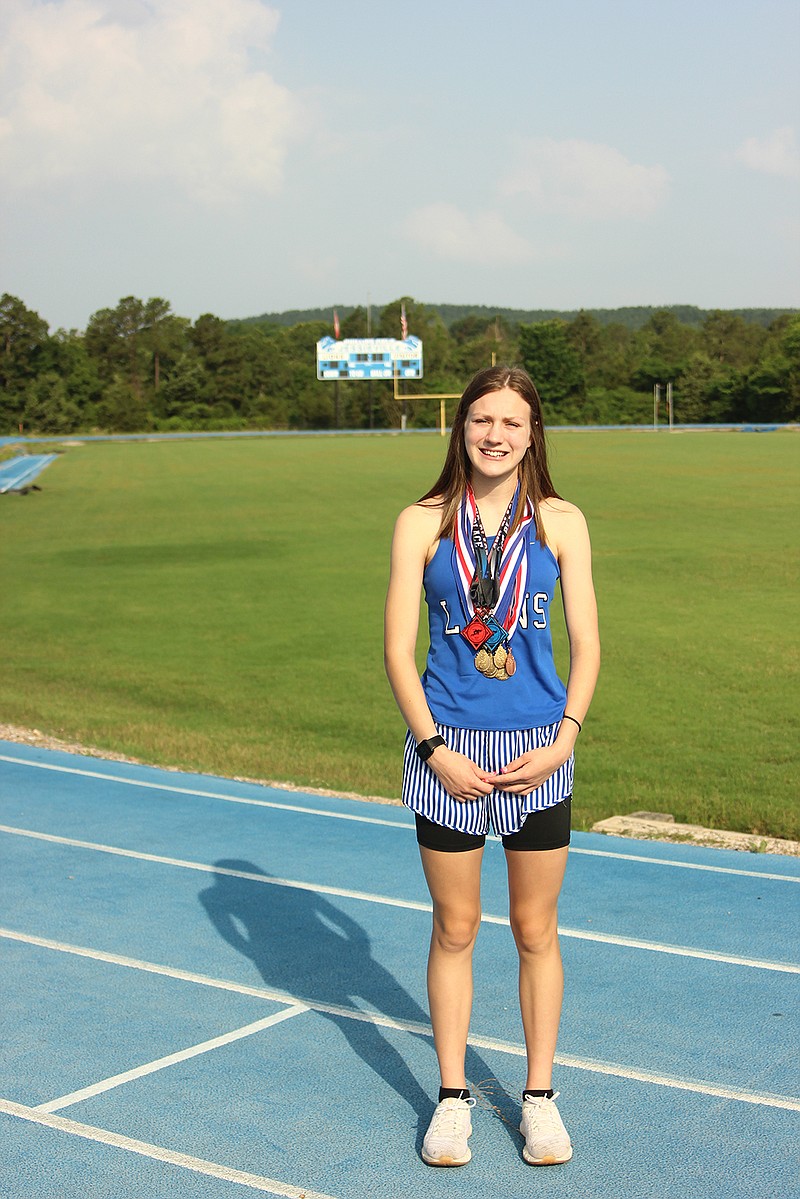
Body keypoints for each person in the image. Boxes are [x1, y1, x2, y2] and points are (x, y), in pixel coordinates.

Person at [383, 364, 600, 1167]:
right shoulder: (422, 522)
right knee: (456, 926)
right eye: (482, 420)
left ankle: (539, 1099)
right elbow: (398, 653)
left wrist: (566, 735)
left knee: (537, 929)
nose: (495, 435)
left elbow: (588, 644)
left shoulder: (563, 522)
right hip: (448, 754)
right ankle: (451, 1099)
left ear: (533, 431)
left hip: (541, 750)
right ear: (461, 427)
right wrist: (435, 749)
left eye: (511, 421)